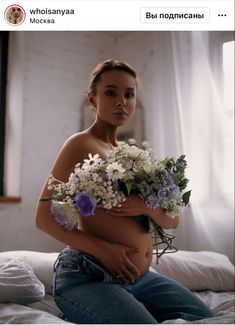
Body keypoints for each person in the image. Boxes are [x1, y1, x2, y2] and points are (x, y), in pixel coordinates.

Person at [35, 59, 213, 324]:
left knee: (203, 316)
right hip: (90, 274)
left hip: (140, 277)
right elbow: (43, 218)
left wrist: (147, 208)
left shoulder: (132, 155)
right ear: (92, 99)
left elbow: (172, 219)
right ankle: (82, 303)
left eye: (129, 94)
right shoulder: (79, 143)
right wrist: (105, 251)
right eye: (110, 92)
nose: (122, 101)